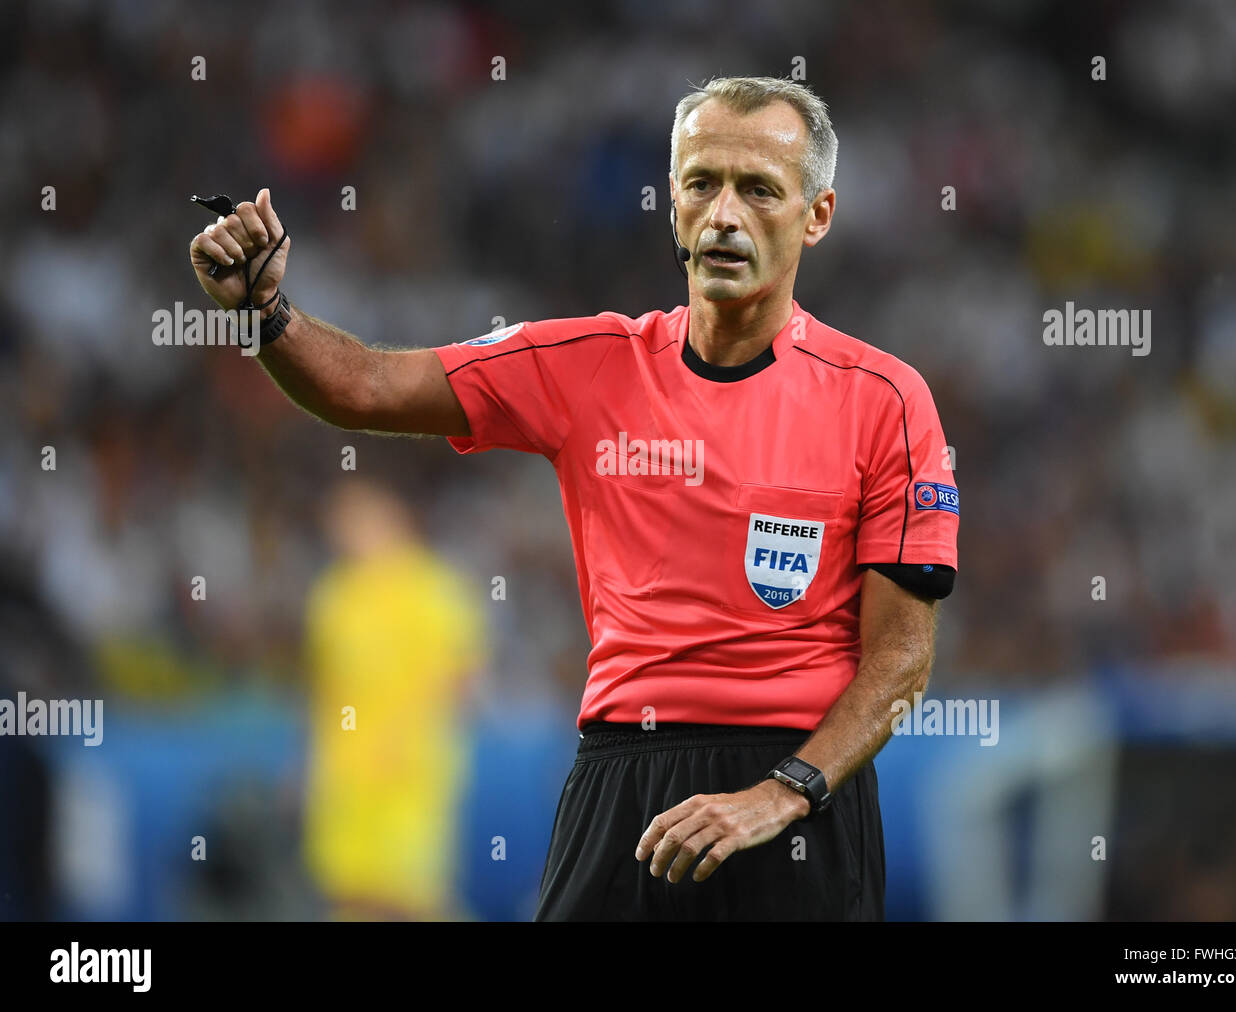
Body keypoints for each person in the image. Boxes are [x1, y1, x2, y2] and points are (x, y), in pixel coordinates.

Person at [187, 75, 958, 921]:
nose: (725, 214)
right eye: (702, 183)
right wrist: (266, 311)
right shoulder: (588, 363)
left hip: (801, 802)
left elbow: (900, 662)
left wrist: (781, 794)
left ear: (817, 214)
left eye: (759, 189)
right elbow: (367, 387)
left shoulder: (886, 400)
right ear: (672, 203)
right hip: (621, 785)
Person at [301, 477, 484, 920]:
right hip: (345, 773)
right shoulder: (333, 598)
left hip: (412, 775)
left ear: (394, 518)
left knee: (411, 896)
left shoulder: (433, 588)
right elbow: (323, 691)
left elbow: (462, 678)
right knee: (350, 891)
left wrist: (412, 738)